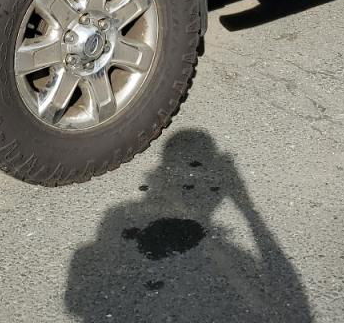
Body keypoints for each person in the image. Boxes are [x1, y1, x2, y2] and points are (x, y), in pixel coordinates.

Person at [64, 128, 313, 322]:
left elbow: (75, 302)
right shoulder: (117, 217)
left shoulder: (116, 216)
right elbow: (294, 308)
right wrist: (247, 209)